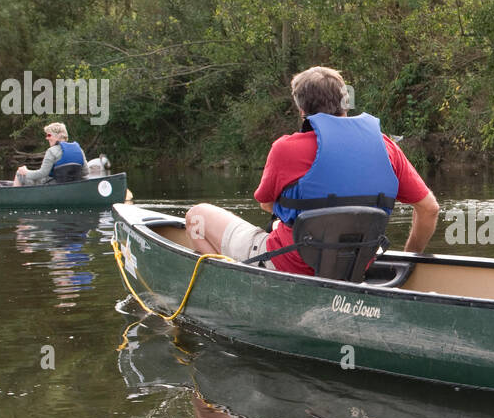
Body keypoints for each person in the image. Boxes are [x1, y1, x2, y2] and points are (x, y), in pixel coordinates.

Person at [185, 65, 440, 274]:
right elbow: (429, 209)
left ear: (301, 109)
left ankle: (225, 281)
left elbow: (266, 204)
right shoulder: (386, 147)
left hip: (289, 262)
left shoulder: (285, 149)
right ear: (345, 103)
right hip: (356, 264)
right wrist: (410, 259)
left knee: (196, 216)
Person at [14, 122, 87, 186]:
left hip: (53, 186)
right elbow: (85, 172)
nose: (47, 138)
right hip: (73, 184)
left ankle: (15, 200)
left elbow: (42, 173)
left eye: (49, 135)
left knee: (19, 173)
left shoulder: (51, 151)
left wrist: (26, 172)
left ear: (58, 136)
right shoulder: (79, 150)